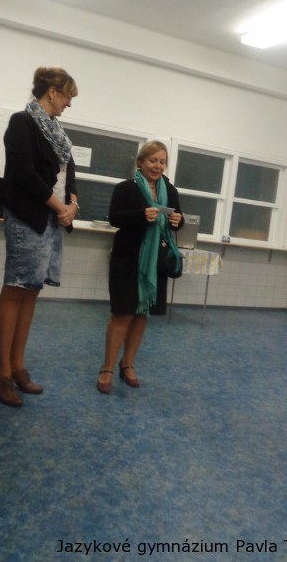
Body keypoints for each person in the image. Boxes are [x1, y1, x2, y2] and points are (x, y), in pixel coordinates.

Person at [0, 67, 79, 406]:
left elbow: (69, 173)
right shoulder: (22, 122)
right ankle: (2, 373)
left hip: (52, 219)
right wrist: (59, 206)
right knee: (16, 288)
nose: (69, 103)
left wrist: (72, 204)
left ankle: (17, 366)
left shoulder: (58, 133)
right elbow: (25, 173)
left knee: (31, 292)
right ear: (52, 91)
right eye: (68, 96)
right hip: (27, 217)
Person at [97, 140, 183, 394]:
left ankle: (128, 364)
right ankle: (107, 368)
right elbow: (114, 218)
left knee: (141, 314)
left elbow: (176, 220)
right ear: (141, 162)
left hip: (155, 260)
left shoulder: (170, 190)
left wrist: (178, 220)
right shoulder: (126, 188)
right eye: (153, 160)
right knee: (122, 314)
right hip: (127, 259)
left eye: (162, 161)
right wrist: (140, 215)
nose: (157, 166)